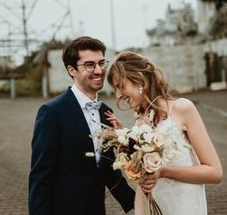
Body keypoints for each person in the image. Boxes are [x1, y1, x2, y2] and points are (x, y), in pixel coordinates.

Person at [106, 51, 223, 215]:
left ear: (139, 79)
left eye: (120, 86)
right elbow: (144, 175)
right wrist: (124, 143)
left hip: (184, 205)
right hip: (154, 206)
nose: (118, 95)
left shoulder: (182, 108)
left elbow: (215, 173)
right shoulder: (140, 122)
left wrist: (163, 171)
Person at [28, 36, 135, 215]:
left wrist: (137, 202)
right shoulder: (51, 112)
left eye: (101, 63)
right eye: (90, 65)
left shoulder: (105, 112)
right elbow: (40, 176)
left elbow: (107, 169)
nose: (99, 70)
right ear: (72, 70)